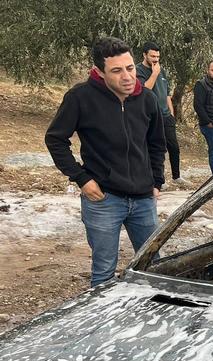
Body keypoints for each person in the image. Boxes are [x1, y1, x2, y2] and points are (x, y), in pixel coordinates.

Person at [45, 37, 165, 288]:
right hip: (103, 199)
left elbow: (156, 143)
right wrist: (81, 178)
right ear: (99, 71)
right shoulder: (80, 97)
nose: (127, 77)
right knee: (103, 273)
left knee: (155, 268)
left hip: (144, 199)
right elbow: (56, 139)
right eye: (117, 71)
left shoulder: (147, 99)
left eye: (130, 68)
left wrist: (157, 182)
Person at [136, 41, 186, 188]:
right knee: (157, 149)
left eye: (157, 56)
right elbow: (144, 90)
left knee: (174, 147)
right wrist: (154, 73)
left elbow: (167, 94)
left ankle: (177, 176)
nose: (156, 59)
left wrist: (171, 113)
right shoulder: (139, 71)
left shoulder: (162, 71)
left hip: (166, 116)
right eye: (152, 56)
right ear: (144, 55)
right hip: (150, 117)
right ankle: (159, 180)